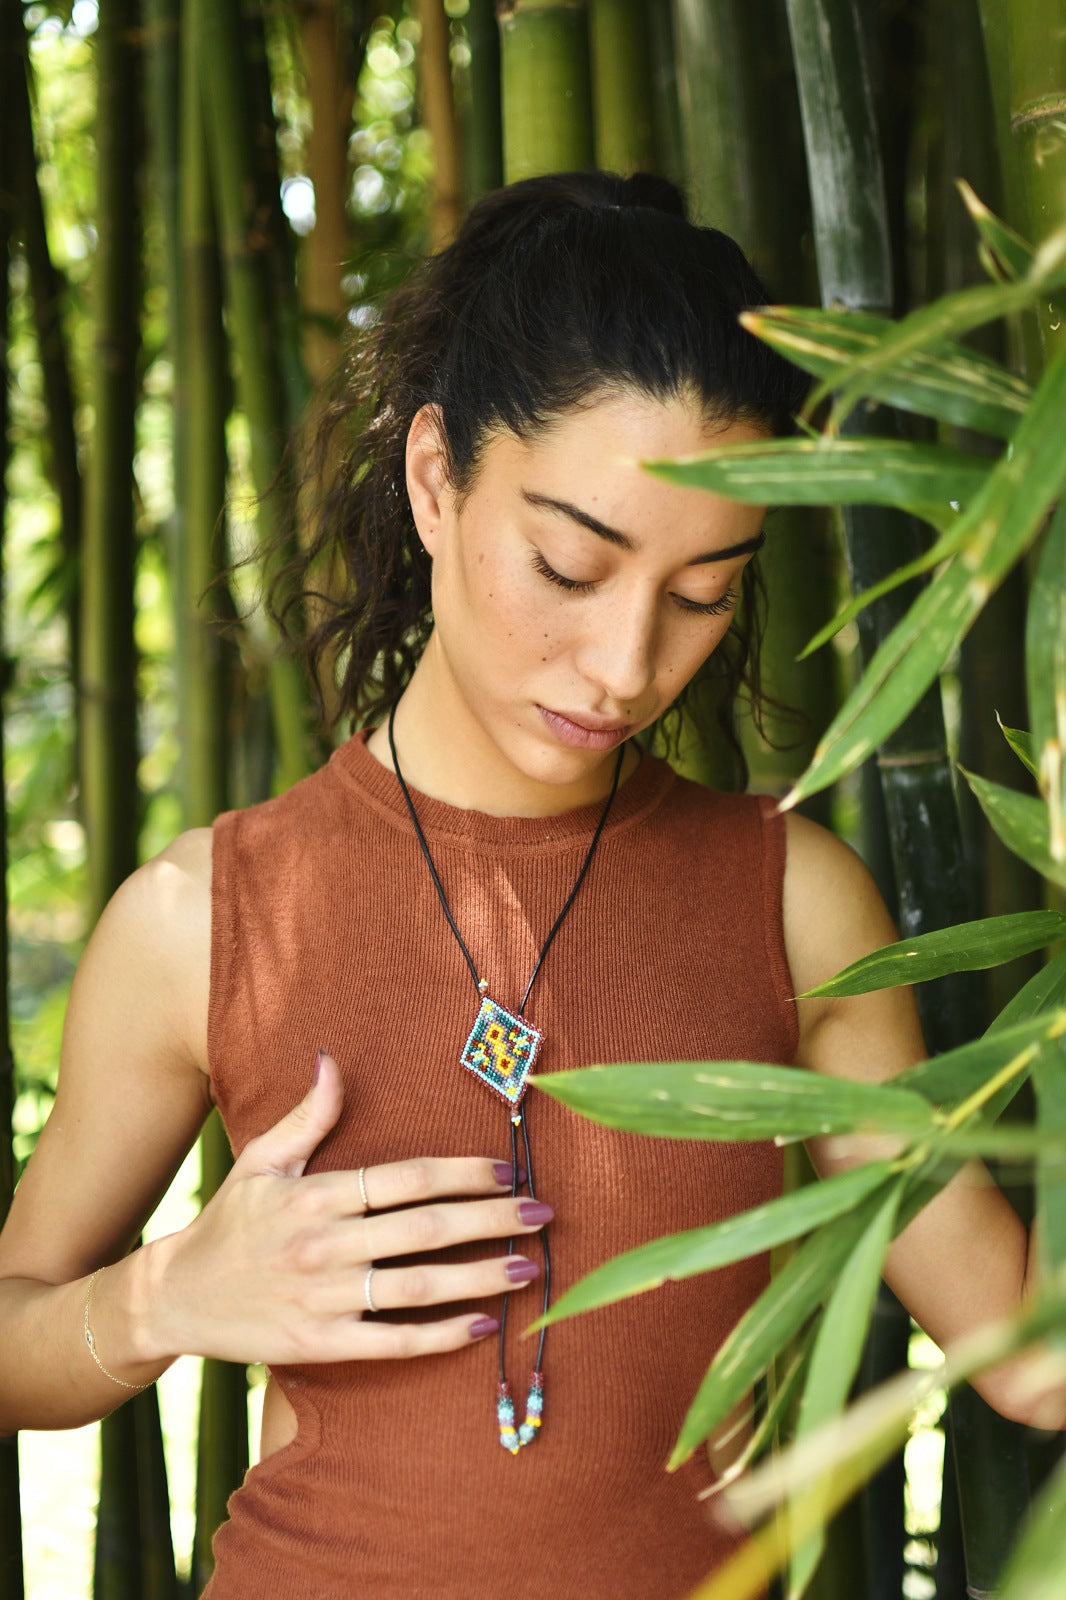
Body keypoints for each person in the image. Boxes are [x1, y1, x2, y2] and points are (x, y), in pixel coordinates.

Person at [0, 171, 1059, 1600]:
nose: (626, 666)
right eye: (569, 566)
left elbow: (1029, 1357)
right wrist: (163, 1297)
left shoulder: (794, 905)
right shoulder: (205, 916)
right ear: (435, 479)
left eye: (704, 594)